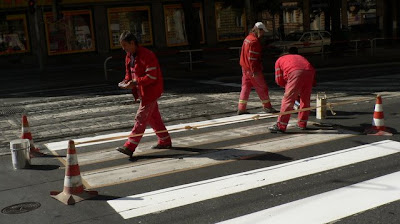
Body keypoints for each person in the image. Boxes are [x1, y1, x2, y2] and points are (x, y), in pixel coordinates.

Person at [116, 31, 172, 158]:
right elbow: (129, 73)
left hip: (150, 92)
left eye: (125, 45)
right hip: (142, 91)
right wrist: (126, 81)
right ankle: (165, 140)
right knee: (154, 118)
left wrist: (134, 83)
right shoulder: (129, 56)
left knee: (141, 118)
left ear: (132, 43)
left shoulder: (147, 55)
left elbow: (151, 77)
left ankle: (130, 146)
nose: (123, 48)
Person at [269, 48, 316, 133]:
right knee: (305, 99)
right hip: (309, 71)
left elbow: (279, 80)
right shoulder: (299, 57)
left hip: (295, 73)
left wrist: (288, 88)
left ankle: (281, 126)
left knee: (288, 100)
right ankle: (302, 123)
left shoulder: (279, 60)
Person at [237, 22, 278, 115]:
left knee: (245, 87)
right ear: (259, 30)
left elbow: (244, 54)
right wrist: (254, 71)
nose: (263, 33)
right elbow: (253, 58)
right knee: (262, 87)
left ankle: (241, 108)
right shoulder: (254, 41)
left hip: (245, 68)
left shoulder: (247, 38)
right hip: (253, 69)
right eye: (263, 31)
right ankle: (267, 107)